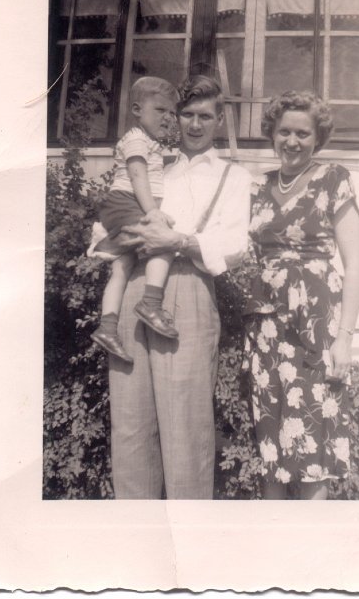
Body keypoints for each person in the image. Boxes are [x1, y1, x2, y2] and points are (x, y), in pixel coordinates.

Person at [108, 75, 252, 499]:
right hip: (137, 285)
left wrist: (182, 241)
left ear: (219, 120)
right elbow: (116, 215)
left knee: (184, 425)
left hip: (189, 288)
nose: (193, 125)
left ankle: (189, 543)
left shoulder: (234, 177)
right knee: (131, 424)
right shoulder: (155, 167)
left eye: (204, 116)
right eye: (185, 114)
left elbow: (236, 246)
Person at [243, 90, 359, 500]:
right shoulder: (257, 188)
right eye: (283, 132)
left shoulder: (334, 179)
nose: (291, 141)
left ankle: (312, 552)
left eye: (302, 133)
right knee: (272, 447)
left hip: (317, 329)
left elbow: (355, 265)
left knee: (312, 448)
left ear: (317, 138)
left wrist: (345, 338)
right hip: (266, 329)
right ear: (271, 135)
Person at [91, 77, 180, 364]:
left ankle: (107, 327)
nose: (168, 117)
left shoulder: (151, 143)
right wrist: (152, 212)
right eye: (160, 110)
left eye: (172, 113)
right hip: (126, 202)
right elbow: (138, 176)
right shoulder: (136, 139)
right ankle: (151, 304)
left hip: (125, 205)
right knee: (163, 243)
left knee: (122, 266)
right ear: (137, 109)